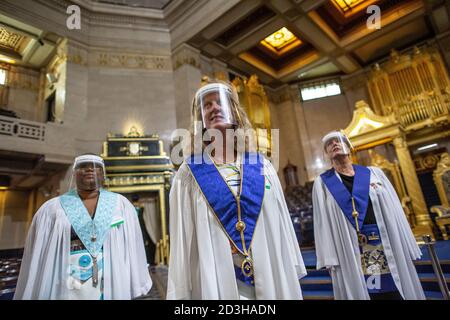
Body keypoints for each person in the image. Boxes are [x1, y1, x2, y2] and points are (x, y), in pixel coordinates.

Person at [167, 80, 306, 300]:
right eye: (207, 105)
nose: (214, 108)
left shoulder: (263, 167)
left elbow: (280, 226)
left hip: (268, 274)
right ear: (199, 121)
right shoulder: (188, 175)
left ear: (235, 112)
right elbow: (183, 241)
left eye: (220, 102)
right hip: (217, 280)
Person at [14, 154, 152, 299]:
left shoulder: (121, 205)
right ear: (74, 173)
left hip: (111, 277)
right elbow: (39, 251)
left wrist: (135, 278)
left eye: (96, 167)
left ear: (103, 174)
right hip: (66, 278)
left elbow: (133, 245)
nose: (89, 170)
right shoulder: (52, 209)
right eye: (83, 167)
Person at [312, 130, 425, 300]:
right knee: (370, 291)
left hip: (384, 239)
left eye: (338, 141)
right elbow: (321, 223)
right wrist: (329, 256)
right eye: (329, 144)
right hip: (351, 246)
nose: (334, 144)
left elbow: (394, 208)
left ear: (349, 147)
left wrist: (406, 241)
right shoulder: (322, 184)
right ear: (326, 153)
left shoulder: (374, 174)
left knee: (392, 290)